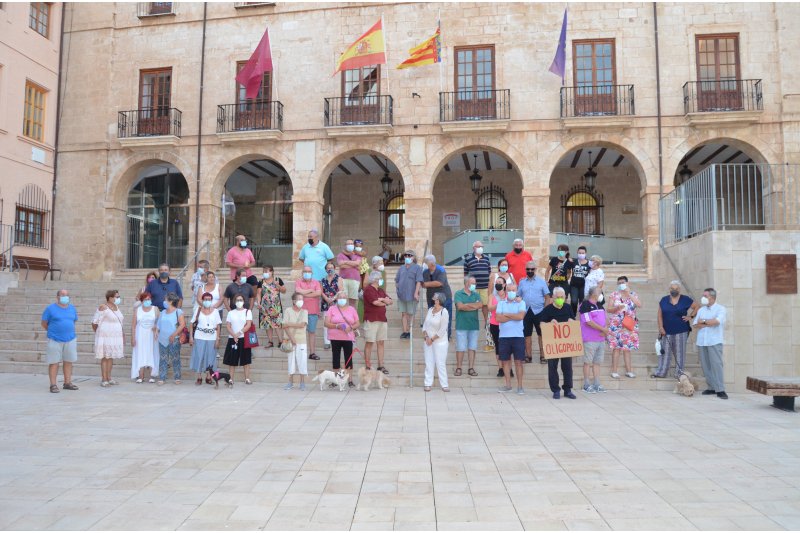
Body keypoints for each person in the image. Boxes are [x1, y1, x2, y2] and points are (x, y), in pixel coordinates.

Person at [655, 280, 699, 379]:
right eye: (672, 288)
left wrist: (690, 317)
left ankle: (679, 373)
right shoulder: (664, 300)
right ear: (669, 289)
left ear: (679, 289)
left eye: (676, 289)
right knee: (665, 352)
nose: (674, 290)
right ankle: (662, 372)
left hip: (681, 330)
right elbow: (659, 315)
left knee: (680, 352)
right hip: (666, 331)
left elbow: (697, 306)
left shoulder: (685, 299)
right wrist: (661, 327)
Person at [539, 287, 576, 399]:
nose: (560, 299)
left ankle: (568, 389)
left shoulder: (568, 308)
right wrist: (550, 323)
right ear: (553, 298)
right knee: (552, 367)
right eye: (557, 297)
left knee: (567, 367)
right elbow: (541, 324)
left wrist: (571, 321)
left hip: (566, 344)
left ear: (565, 297)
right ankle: (555, 390)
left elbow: (573, 322)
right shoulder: (548, 309)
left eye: (562, 297)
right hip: (553, 344)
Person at [41, 289, 79, 393]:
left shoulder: (72, 308)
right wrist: (54, 331)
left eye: (67, 295)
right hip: (54, 339)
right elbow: (44, 323)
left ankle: (67, 383)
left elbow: (73, 321)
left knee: (68, 361)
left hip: (70, 339)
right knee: (54, 362)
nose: (65, 297)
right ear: (57, 297)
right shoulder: (50, 309)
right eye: (62, 295)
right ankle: (53, 385)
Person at [693, 288, 727, 399]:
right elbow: (695, 324)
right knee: (706, 366)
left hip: (714, 341)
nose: (703, 297)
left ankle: (720, 389)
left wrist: (703, 322)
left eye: (705, 295)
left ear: (712, 297)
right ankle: (711, 387)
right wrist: (708, 322)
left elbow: (717, 321)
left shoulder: (720, 309)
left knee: (716, 365)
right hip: (702, 341)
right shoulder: (701, 310)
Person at [495, 282, 527, 395]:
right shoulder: (501, 303)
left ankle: (520, 386)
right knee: (505, 362)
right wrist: (513, 316)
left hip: (518, 337)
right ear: (505, 290)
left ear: (516, 291)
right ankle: (508, 385)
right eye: (509, 290)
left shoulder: (521, 302)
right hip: (504, 337)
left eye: (513, 290)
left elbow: (520, 317)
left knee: (519, 362)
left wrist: (507, 314)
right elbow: (498, 318)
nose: (511, 292)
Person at [518, 260, 552, 365]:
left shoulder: (542, 282)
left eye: (532, 269)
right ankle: (528, 356)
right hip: (526, 311)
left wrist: (545, 311)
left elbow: (547, 297)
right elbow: (518, 296)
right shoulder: (522, 282)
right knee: (526, 335)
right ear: (525, 269)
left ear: (535, 269)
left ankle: (543, 356)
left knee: (541, 335)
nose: (530, 271)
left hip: (540, 311)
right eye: (528, 269)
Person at [608, 276, 642, 379]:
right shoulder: (614, 295)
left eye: (623, 282)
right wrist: (616, 308)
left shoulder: (633, 294)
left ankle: (629, 371)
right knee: (616, 348)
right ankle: (614, 371)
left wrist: (629, 294)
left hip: (629, 325)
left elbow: (639, 304)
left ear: (627, 283)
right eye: (619, 283)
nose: (621, 284)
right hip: (616, 325)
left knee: (627, 348)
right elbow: (608, 309)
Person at [323, 290, 359, 387]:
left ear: (347, 299)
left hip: (348, 337)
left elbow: (357, 323)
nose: (342, 299)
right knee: (336, 358)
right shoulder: (331, 309)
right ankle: (335, 380)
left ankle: (350, 380)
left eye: (344, 297)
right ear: (337, 299)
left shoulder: (352, 309)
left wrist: (350, 327)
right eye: (340, 297)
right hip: (335, 337)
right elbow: (326, 323)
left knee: (348, 359)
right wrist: (336, 326)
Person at [579, 286, 610, 393]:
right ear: (593, 294)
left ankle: (597, 383)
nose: (601, 293)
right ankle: (586, 384)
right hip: (590, 339)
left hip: (601, 339)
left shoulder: (600, 305)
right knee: (588, 362)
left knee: (597, 362)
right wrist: (603, 329)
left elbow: (606, 319)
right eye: (599, 291)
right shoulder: (585, 305)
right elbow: (588, 322)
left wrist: (605, 330)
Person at [92, 289, 125, 387]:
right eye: (117, 297)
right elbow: (94, 322)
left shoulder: (117, 307)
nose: (118, 298)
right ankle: (104, 379)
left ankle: (109, 378)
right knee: (105, 357)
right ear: (110, 298)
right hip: (105, 336)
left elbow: (120, 322)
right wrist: (99, 333)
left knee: (110, 357)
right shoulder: (103, 307)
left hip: (115, 337)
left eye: (119, 296)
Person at [189, 292, 222, 385]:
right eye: (205, 299)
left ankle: (209, 376)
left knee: (210, 357)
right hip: (199, 336)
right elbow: (191, 323)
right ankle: (199, 377)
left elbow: (218, 326)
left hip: (212, 337)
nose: (207, 301)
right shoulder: (198, 310)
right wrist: (191, 337)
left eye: (209, 299)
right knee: (199, 356)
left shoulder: (215, 311)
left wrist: (217, 339)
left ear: (211, 300)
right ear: (202, 300)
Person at [363, 270, 393, 374]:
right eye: (380, 278)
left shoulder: (381, 290)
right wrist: (384, 301)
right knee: (370, 342)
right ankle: (368, 365)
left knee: (381, 342)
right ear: (375, 280)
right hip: (371, 320)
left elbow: (390, 300)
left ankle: (381, 365)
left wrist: (383, 299)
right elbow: (375, 302)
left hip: (382, 319)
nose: (381, 280)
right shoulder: (368, 290)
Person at [454, 276, 482, 378]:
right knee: (460, 348)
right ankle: (459, 367)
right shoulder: (458, 293)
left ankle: (471, 368)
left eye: (475, 283)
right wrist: (473, 306)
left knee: (472, 347)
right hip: (461, 325)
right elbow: (460, 306)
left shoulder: (476, 294)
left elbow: (480, 305)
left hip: (474, 326)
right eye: (472, 283)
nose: (474, 285)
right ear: (466, 284)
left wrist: (467, 306)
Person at [422, 292, 450, 392]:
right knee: (428, 362)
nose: (433, 300)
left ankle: (444, 384)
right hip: (428, 341)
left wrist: (432, 339)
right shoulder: (430, 310)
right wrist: (426, 336)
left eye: (435, 298)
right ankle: (427, 383)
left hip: (440, 342)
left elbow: (443, 330)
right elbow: (425, 325)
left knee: (440, 363)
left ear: (439, 300)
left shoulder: (444, 312)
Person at [224, 294, 254, 385]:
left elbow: (248, 325)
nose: (239, 302)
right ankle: (230, 379)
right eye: (237, 300)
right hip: (233, 338)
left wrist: (239, 333)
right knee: (232, 360)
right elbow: (228, 326)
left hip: (244, 338)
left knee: (246, 360)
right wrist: (234, 335)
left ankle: (247, 378)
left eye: (241, 300)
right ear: (234, 302)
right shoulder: (230, 313)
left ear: (244, 301)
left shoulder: (247, 312)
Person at [156, 292, 185, 385]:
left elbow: (182, 325)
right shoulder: (162, 312)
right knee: (163, 358)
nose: (164, 301)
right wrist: (156, 330)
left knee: (175, 358)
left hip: (174, 338)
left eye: (166, 300)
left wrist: (174, 334)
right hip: (162, 339)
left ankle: (177, 377)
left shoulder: (178, 312)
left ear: (171, 301)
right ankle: (162, 377)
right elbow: (158, 324)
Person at [295, 265, 322, 360]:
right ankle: (299, 352)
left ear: (312, 273)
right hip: (300, 312)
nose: (307, 273)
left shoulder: (316, 282)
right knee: (300, 332)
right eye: (305, 271)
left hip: (313, 311)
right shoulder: (298, 282)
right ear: (302, 273)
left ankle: (312, 353)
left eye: (309, 271)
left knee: (312, 332)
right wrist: (310, 291)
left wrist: (304, 294)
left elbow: (318, 293)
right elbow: (298, 291)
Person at [282, 292, 309, 390]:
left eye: (302, 299)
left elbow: (302, 324)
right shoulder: (288, 311)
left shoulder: (304, 312)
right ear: (294, 301)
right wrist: (292, 338)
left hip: (301, 340)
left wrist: (289, 323)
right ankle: (290, 382)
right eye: (299, 299)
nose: (301, 301)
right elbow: (284, 326)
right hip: (289, 340)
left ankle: (302, 382)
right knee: (291, 361)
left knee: (302, 361)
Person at [463, 240, 492, 331]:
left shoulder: (486, 258)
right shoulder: (468, 259)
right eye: (478, 246)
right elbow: (466, 274)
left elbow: (489, 271)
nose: (480, 248)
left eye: (482, 246)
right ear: (473, 248)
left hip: (484, 287)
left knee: (485, 305)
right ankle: (472, 323)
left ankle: (487, 323)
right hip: (473, 288)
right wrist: (467, 285)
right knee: (473, 305)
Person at [131, 292, 159, 383]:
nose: (148, 301)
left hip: (152, 334)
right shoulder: (137, 310)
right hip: (140, 334)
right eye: (146, 299)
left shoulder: (155, 309)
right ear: (142, 301)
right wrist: (133, 338)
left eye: (149, 299)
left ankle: (152, 375)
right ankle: (140, 376)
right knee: (140, 353)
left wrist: (156, 328)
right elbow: (133, 325)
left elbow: (160, 321)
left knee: (152, 352)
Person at [422, 254, 452, 340]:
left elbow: (439, 282)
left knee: (446, 318)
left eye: (426, 263)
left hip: (444, 298)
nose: (425, 265)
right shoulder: (425, 272)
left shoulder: (441, 270)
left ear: (431, 264)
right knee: (431, 317)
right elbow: (422, 283)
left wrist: (426, 284)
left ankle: (447, 336)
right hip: (431, 299)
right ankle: (432, 335)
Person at [395, 249, 423, 339]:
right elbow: (397, 280)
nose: (407, 257)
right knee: (404, 313)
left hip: (412, 295)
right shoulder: (401, 268)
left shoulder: (417, 268)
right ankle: (405, 331)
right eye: (406, 255)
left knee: (411, 313)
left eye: (409, 255)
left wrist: (416, 293)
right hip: (402, 295)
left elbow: (419, 281)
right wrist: (398, 288)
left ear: (413, 257)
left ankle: (410, 331)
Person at [256, 265, 286, 348]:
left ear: (272, 272)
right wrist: (258, 302)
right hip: (264, 308)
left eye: (267, 271)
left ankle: (281, 341)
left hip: (276, 308)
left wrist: (278, 286)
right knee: (267, 325)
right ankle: (270, 342)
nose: (265, 273)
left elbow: (284, 291)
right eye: (264, 271)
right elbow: (258, 293)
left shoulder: (277, 280)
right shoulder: (261, 282)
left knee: (277, 324)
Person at [488, 277, 512, 379]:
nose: (497, 284)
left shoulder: (509, 296)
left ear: (504, 285)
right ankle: (501, 368)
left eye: (499, 283)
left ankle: (509, 369)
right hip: (495, 324)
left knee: (508, 347)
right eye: (496, 282)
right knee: (498, 346)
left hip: (506, 324)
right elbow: (489, 308)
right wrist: (500, 303)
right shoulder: (492, 296)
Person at [337, 238, 362, 309]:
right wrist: (353, 265)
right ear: (345, 245)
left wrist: (345, 262)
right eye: (348, 244)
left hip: (355, 279)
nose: (350, 245)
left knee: (353, 300)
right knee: (343, 299)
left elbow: (357, 263)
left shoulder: (358, 255)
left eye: (351, 244)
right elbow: (341, 265)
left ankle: (352, 317)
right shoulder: (340, 255)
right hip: (343, 279)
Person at [569, 246, 590, 315]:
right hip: (574, 285)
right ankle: (573, 314)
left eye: (583, 253)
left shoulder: (589, 263)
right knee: (574, 301)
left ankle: (582, 315)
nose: (581, 254)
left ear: (586, 253)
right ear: (577, 253)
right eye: (579, 253)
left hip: (584, 285)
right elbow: (568, 269)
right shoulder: (573, 261)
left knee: (582, 301)